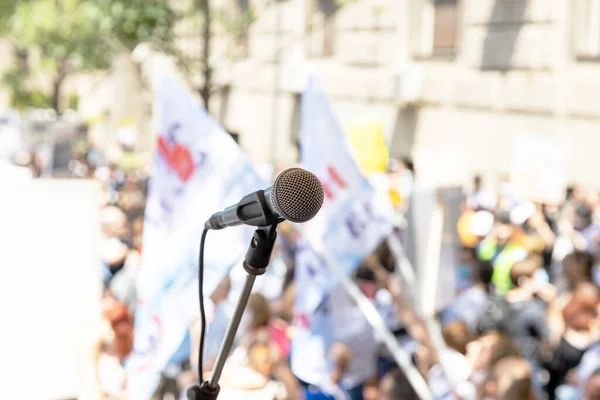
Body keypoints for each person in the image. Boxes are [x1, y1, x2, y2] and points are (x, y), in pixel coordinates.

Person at [478, 211, 528, 295]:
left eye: (504, 227)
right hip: (489, 293)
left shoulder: (518, 252)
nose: (500, 231)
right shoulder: (485, 247)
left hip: (509, 294)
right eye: (498, 227)